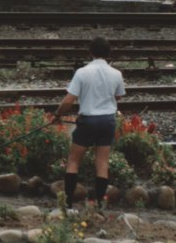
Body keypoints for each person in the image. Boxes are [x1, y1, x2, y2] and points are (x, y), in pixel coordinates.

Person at [53, 36, 125, 210]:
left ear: (90, 52)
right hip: (108, 120)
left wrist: (57, 114)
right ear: (108, 53)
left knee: (73, 161)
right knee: (102, 164)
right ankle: (100, 206)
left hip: (88, 121)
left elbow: (69, 100)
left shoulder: (82, 72)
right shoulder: (116, 74)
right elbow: (118, 95)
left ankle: (68, 205)